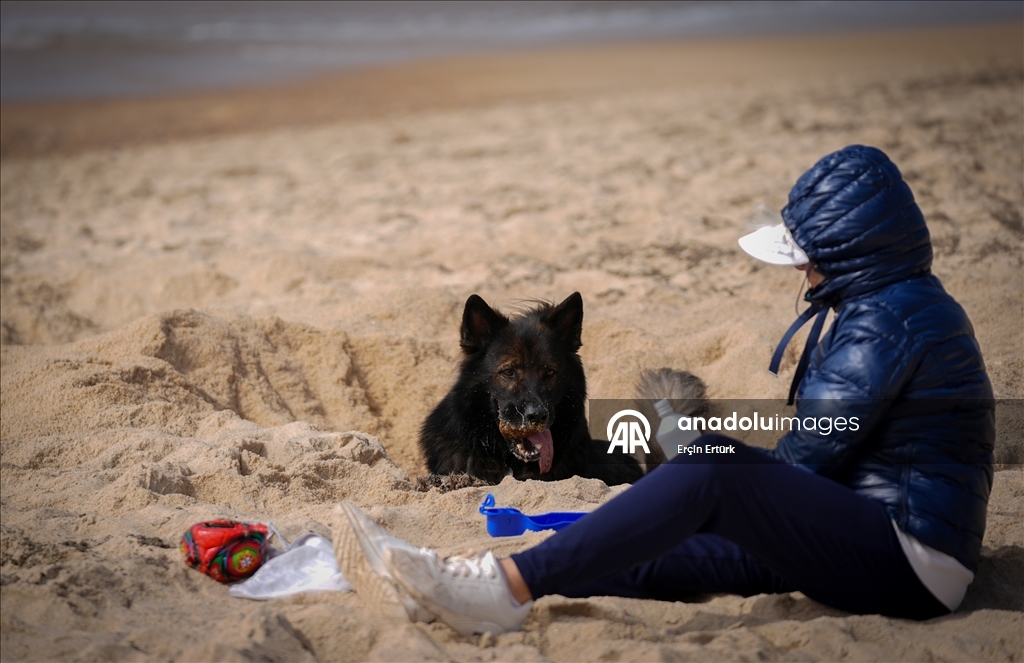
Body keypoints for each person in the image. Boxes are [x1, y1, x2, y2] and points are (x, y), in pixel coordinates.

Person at [333, 145, 995, 636]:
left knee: (709, 471)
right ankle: (468, 582)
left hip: (911, 557)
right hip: (862, 532)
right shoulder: (881, 305)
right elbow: (820, 457)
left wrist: (699, 459)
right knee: (657, 546)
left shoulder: (889, 321)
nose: (802, 268)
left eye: (811, 254)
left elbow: (803, 462)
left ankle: (502, 585)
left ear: (854, 249)